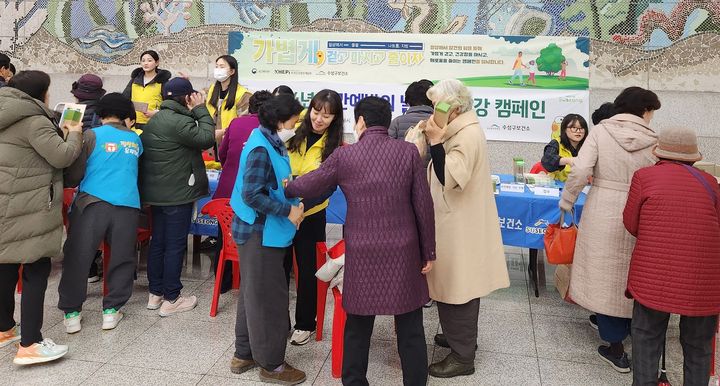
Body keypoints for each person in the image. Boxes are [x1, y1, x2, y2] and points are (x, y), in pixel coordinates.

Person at [286, 96, 435, 386]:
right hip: (403, 250)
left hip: (363, 250)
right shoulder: (407, 153)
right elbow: (423, 205)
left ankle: (355, 381)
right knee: (410, 326)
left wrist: (285, 186)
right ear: (387, 120)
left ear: (361, 122)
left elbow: (312, 181)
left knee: (357, 324)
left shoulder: (345, 156)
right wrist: (428, 250)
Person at [559, 86, 661, 372]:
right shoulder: (653, 139)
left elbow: (580, 170)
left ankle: (614, 346)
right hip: (639, 209)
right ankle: (623, 329)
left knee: (602, 271)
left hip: (602, 205)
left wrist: (568, 200)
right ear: (643, 110)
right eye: (651, 112)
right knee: (629, 271)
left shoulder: (602, 132)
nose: (651, 117)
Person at [422, 79, 510, 378]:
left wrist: (435, 141)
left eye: (438, 106)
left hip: (458, 225)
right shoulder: (457, 129)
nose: (434, 111)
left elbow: (451, 177)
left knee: (458, 286)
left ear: (454, 108)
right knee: (452, 284)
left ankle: (463, 357)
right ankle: (459, 337)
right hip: (453, 221)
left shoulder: (468, 135)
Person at [623, 126, 720, 385]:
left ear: (658, 152)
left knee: (646, 336)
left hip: (654, 275)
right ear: (693, 156)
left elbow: (631, 223)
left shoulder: (644, 177)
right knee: (698, 346)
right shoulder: (710, 183)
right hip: (703, 278)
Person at [0, 70, 83, 364]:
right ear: (42, 93)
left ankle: (4, 329)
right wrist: (73, 132)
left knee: (6, 265)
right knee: (36, 270)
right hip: (31, 205)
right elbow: (61, 156)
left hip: (5, 203)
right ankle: (31, 343)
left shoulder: (5, 112)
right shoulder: (34, 120)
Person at [228, 94, 306, 385]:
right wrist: (288, 211)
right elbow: (251, 194)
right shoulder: (262, 147)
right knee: (269, 300)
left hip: (261, 231)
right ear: (279, 121)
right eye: (293, 121)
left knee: (253, 293)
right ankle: (272, 365)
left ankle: (245, 353)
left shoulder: (270, 141)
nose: (295, 125)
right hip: (260, 233)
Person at [58, 93, 142, 333]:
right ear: (127, 115)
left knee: (78, 257)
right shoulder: (136, 140)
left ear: (100, 114)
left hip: (91, 204)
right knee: (122, 258)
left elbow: (74, 175)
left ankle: (72, 314)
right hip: (127, 205)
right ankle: (111, 311)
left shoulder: (89, 135)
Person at [139, 78, 215, 316]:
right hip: (177, 194)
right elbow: (206, 139)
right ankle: (172, 297)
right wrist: (201, 109)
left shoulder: (157, 119)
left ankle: (156, 293)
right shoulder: (181, 121)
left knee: (158, 242)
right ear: (187, 97)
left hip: (157, 195)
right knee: (174, 244)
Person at [285, 89, 344, 346]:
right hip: (283, 213)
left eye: (327, 116)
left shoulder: (335, 147)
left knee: (308, 271)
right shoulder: (292, 132)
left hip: (311, 215)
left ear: (335, 119)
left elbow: (326, 187)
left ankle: (306, 324)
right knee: (279, 268)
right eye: (316, 112)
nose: (319, 119)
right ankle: (278, 321)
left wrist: (301, 206)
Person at [212, 90, 273, 293]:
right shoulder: (271, 129)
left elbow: (221, 154)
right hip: (254, 198)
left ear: (250, 107)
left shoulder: (236, 123)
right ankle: (253, 283)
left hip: (226, 194)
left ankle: (222, 281)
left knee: (223, 238)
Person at [70, 73, 108, 283]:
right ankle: (98, 261)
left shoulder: (72, 112)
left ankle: (87, 268)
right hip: (98, 172)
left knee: (79, 221)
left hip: (76, 170)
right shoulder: (103, 114)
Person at [206, 55, 252, 158]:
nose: (218, 70)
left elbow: (244, 123)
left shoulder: (243, 94)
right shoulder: (212, 90)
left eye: (222, 67)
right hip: (211, 144)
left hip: (231, 143)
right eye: (217, 66)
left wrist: (223, 132)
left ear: (232, 71)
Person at [122, 50, 171, 129]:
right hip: (134, 123)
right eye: (143, 61)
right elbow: (124, 98)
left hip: (154, 123)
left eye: (149, 60)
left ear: (157, 63)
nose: (146, 63)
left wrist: (156, 113)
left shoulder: (162, 81)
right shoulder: (134, 80)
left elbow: (169, 103)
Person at [540, 114, 589, 182]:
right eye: (574, 128)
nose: (578, 131)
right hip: (558, 186)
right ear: (565, 129)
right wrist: (568, 161)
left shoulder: (588, 146)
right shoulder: (556, 143)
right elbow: (547, 160)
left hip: (581, 187)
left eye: (581, 128)